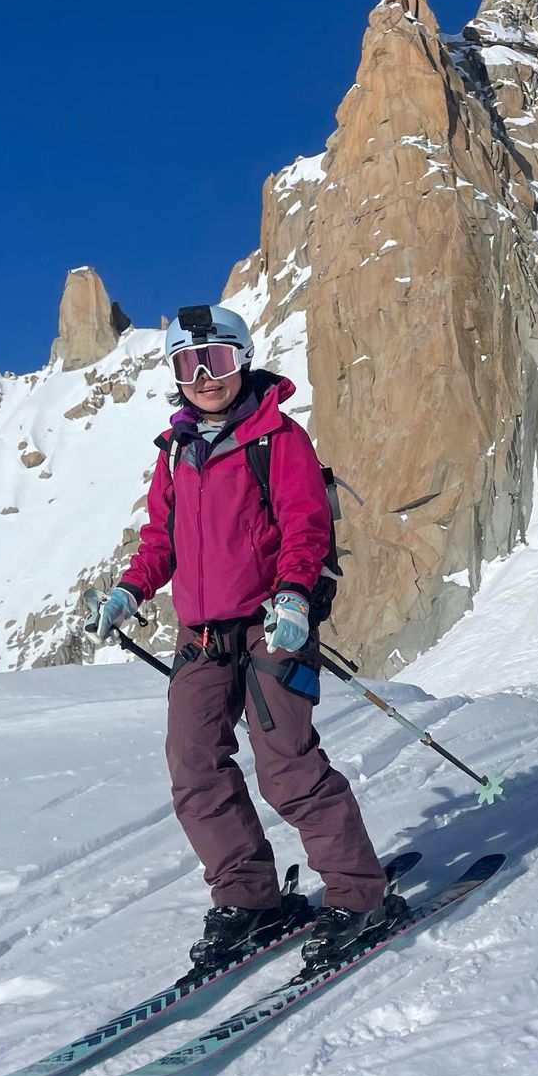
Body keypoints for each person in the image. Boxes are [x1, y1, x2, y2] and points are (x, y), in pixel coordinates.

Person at [80, 304, 387, 971]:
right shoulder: (174, 452)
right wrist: (130, 590)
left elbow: (306, 526)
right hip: (201, 634)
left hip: (273, 622)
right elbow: (162, 539)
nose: (205, 376)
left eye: (216, 359)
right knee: (194, 768)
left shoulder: (278, 438)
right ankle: (249, 899)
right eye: (189, 364)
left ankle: (360, 896)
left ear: (241, 359)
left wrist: (295, 595)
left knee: (288, 769)